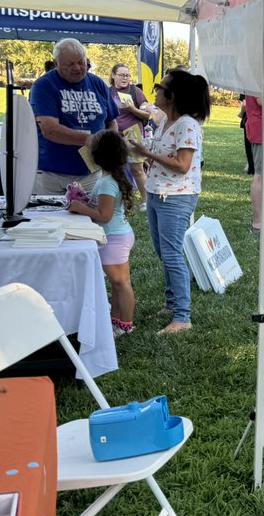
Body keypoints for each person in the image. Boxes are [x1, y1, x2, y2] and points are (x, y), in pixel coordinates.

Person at [129, 69, 210, 334]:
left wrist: (146, 152)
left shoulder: (187, 124)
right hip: (158, 192)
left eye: (159, 87)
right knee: (164, 252)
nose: (156, 91)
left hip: (175, 197)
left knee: (172, 254)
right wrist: (151, 157)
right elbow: (169, 158)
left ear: (172, 96)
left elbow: (183, 165)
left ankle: (182, 317)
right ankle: (172, 304)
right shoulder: (167, 122)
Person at [67, 130, 136, 336]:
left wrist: (80, 207)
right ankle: (115, 321)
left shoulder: (106, 182)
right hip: (118, 234)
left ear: (97, 156)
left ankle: (126, 324)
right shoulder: (109, 178)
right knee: (117, 283)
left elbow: (103, 215)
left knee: (121, 282)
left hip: (113, 237)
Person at [29, 38, 119, 194]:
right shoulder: (44, 85)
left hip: (91, 172)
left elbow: (112, 122)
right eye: (70, 64)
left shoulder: (97, 83)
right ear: (56, 64)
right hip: (51, 174)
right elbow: (50, 130)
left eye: (81, 62)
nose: (77, 68)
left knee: (92, 216)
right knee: (50, 218)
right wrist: (93, 140)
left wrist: (109, 142)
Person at [109, 63, 152, 208]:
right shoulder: (108, 92)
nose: (125, 78)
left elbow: (148, 114)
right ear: (113, 75)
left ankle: (146, 201)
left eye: (127, 75)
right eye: (121, 75)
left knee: (137, 169)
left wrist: (132, 108)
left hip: (133, 134)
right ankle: (119, 201)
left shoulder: (135, 91)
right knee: (115, 170)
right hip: (114, 136)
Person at [243, 95, 264, 233]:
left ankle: (262, 221)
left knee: (263, 176)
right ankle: (258, 224)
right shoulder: (260, 76)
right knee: (261, 176)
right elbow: (263, 100)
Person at [238, 95, 254, 176]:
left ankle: (251, 168)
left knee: (249, 144)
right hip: (262, 119)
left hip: (249, 118)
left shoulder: (245, 88)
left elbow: (245, 104)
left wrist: (241, 113)